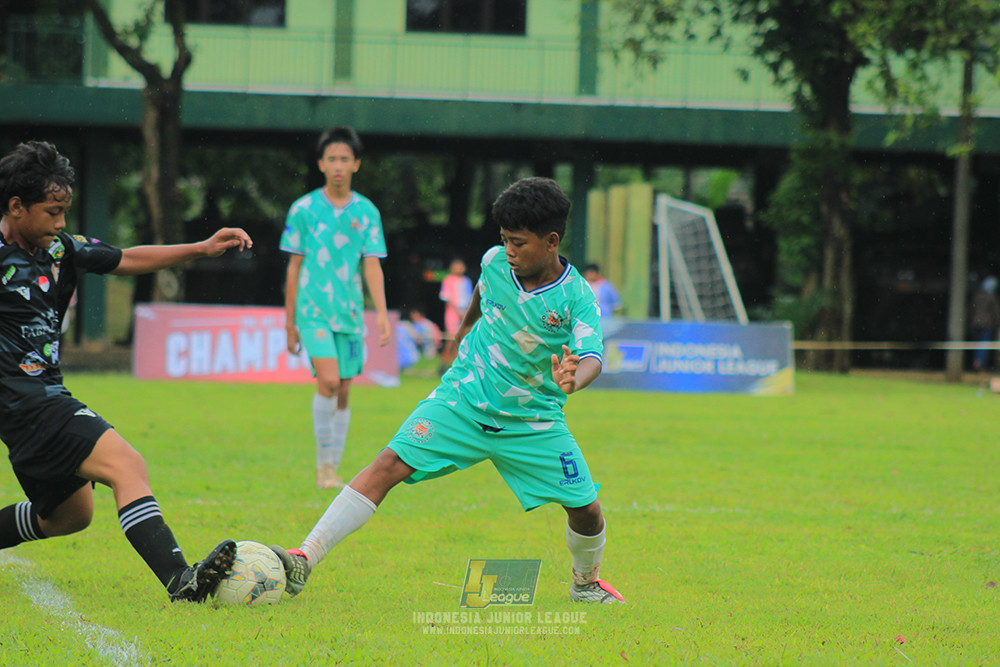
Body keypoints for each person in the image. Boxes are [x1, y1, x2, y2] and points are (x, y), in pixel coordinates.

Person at [270, 177, 625, 604]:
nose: (508, 251)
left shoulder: (577, 297)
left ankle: (584, 584)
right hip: (462, 400)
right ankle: (304, 558)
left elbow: (592, 354)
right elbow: (482, 289)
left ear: (551, 241)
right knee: (387, 464)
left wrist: (574, 378)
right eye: (504, 240)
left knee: (586, 510)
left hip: (534, 419)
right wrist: (461, 331)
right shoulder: (496, 262)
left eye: (519, 243)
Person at [0, 140, 252, 602]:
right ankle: (182, 581)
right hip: (27, 401)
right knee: (127, 464)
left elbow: (125, 258)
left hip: (38, 399)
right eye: (52, 211)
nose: (60, 223)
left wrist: (200, 247)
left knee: (70, 516)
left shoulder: (60, 250)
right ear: (16, 207)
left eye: (64, 212)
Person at [281, 127, 391, 490]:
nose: (339, 165)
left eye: (345, 158)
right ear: (321, 164)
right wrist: (290, 321)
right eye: (332, 159)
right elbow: (294, 267)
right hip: (313, 312)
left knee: (343, 390)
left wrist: (382, 315)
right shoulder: (303, 209)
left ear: (356, 164)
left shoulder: (367, 212)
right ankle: (322, 467)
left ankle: (334, 466)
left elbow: (372, 264)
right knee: (328, 381)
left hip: (350, 313)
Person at [438, 257, 473, 373]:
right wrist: (457, 311)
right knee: (450, 337)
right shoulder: (448, 280)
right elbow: (446, 298)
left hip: (464, 312)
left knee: (462, 338)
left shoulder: (466, 281)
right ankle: (443, 364)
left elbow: (470, 298)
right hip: (453, 312)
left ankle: (456, 363)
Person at [969, 275, 1000, 372]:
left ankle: (976, 361)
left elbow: (971, 311)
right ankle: (980, 364)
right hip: (986, 325)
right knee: (984, 345)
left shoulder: (977, 296)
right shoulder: (992, 298)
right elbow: (995, 313)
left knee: (977, 345)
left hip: (975, 324)